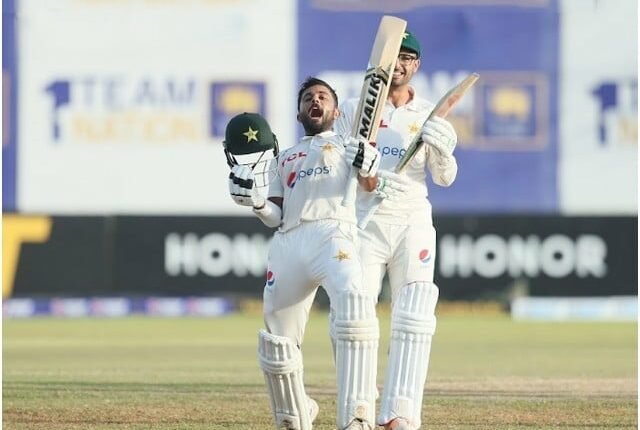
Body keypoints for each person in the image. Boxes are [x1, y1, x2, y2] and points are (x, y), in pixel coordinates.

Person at [225, 78, 386, 430]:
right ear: (299, 113)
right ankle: (294, 415)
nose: (315, 101)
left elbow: (371, 187)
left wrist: (370, 170)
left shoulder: (350, 146)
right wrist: (256, 202)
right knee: (277, 339)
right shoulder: (285, 157)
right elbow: (275, 215)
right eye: (308, 98)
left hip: (334, 234)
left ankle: (357, 415)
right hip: (289, 241)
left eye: (323, 97)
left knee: (355, 305)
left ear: (336, 111)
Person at [334, 30, 459, 430]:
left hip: (412, 220)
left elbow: (445, 178)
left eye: (407, 58)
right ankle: (357, 410)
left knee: (415, 314)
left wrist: (443, 149)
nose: (400, 65)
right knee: (353, 313)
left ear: (416, 65)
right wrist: (357, 165)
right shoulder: (354, 108)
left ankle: (400, 413)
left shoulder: (429, 113)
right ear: (381, 62)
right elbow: (335, 168)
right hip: (365, 218)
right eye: (394, 57)